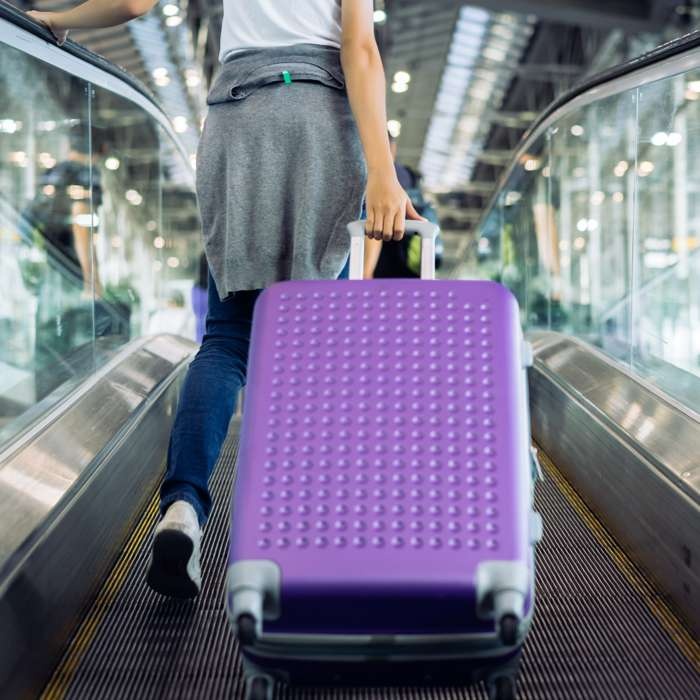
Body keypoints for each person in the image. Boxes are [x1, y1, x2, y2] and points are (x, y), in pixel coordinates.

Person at [28, 1, 423, 598]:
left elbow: (136, 3)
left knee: (227, 337)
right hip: (317, 114)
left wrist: (60, 18)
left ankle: (183, 509)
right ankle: (306, 532)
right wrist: (383, 172)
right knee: (319, 343)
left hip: (237, 118)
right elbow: (359, 48)